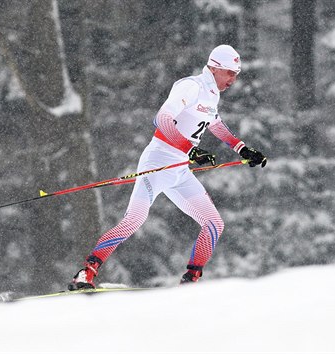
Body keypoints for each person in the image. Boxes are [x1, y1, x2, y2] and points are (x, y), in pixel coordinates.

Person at [69, 44, 267, 289]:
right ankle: (86, 273)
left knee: (214, 223)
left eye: (236, 74)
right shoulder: (191, 86)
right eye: (230, 73)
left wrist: (242, 148)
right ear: (215, 68)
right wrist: (191, 149)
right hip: (159, 162)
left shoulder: (212, 93)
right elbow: (162, 119)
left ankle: (190, 281)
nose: (233, 80)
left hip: (180, 171)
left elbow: (214, 124)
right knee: (135, 219)